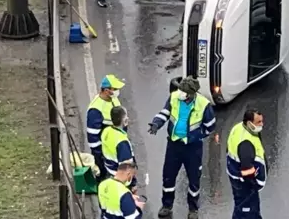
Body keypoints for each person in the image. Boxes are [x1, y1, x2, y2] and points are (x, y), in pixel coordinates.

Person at [148, 76, 216, 219]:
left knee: (193, 179)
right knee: (168, 176)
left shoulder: (203, 104)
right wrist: (156, 124)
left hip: (193, 148)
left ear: (191, 94)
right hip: (174, 145)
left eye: (184, 92)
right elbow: (165, 113)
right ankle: (167, 205)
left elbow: (210, 126)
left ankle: (193, 209)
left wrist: (196, 137)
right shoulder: (174, 97)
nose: (181, 93)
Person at [226, 109, 266, 219]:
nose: (262, 124)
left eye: (262, 121)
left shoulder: (238, 128)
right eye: (258, 122)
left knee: (242, 207)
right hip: (245, 184)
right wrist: (253, 184)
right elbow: (247, 170)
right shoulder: (246, 144)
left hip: (237, 178)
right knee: (247, 212)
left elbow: (228, 148)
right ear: (249, 123)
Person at [87, 75, 126, 181]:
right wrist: (99, 156)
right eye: (115, 89)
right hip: (105, 151)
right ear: (106, 90)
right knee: (105, 178)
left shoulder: (113, 99)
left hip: (115, 145)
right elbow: (92, 137)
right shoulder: (95, 109)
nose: (117, 91)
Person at [101, 106, 138, 190]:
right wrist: (133, 184)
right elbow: (127, 168)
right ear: (124, 121)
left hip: (109, 172)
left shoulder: (106, 131)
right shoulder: (122, 142)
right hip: (122, 182)